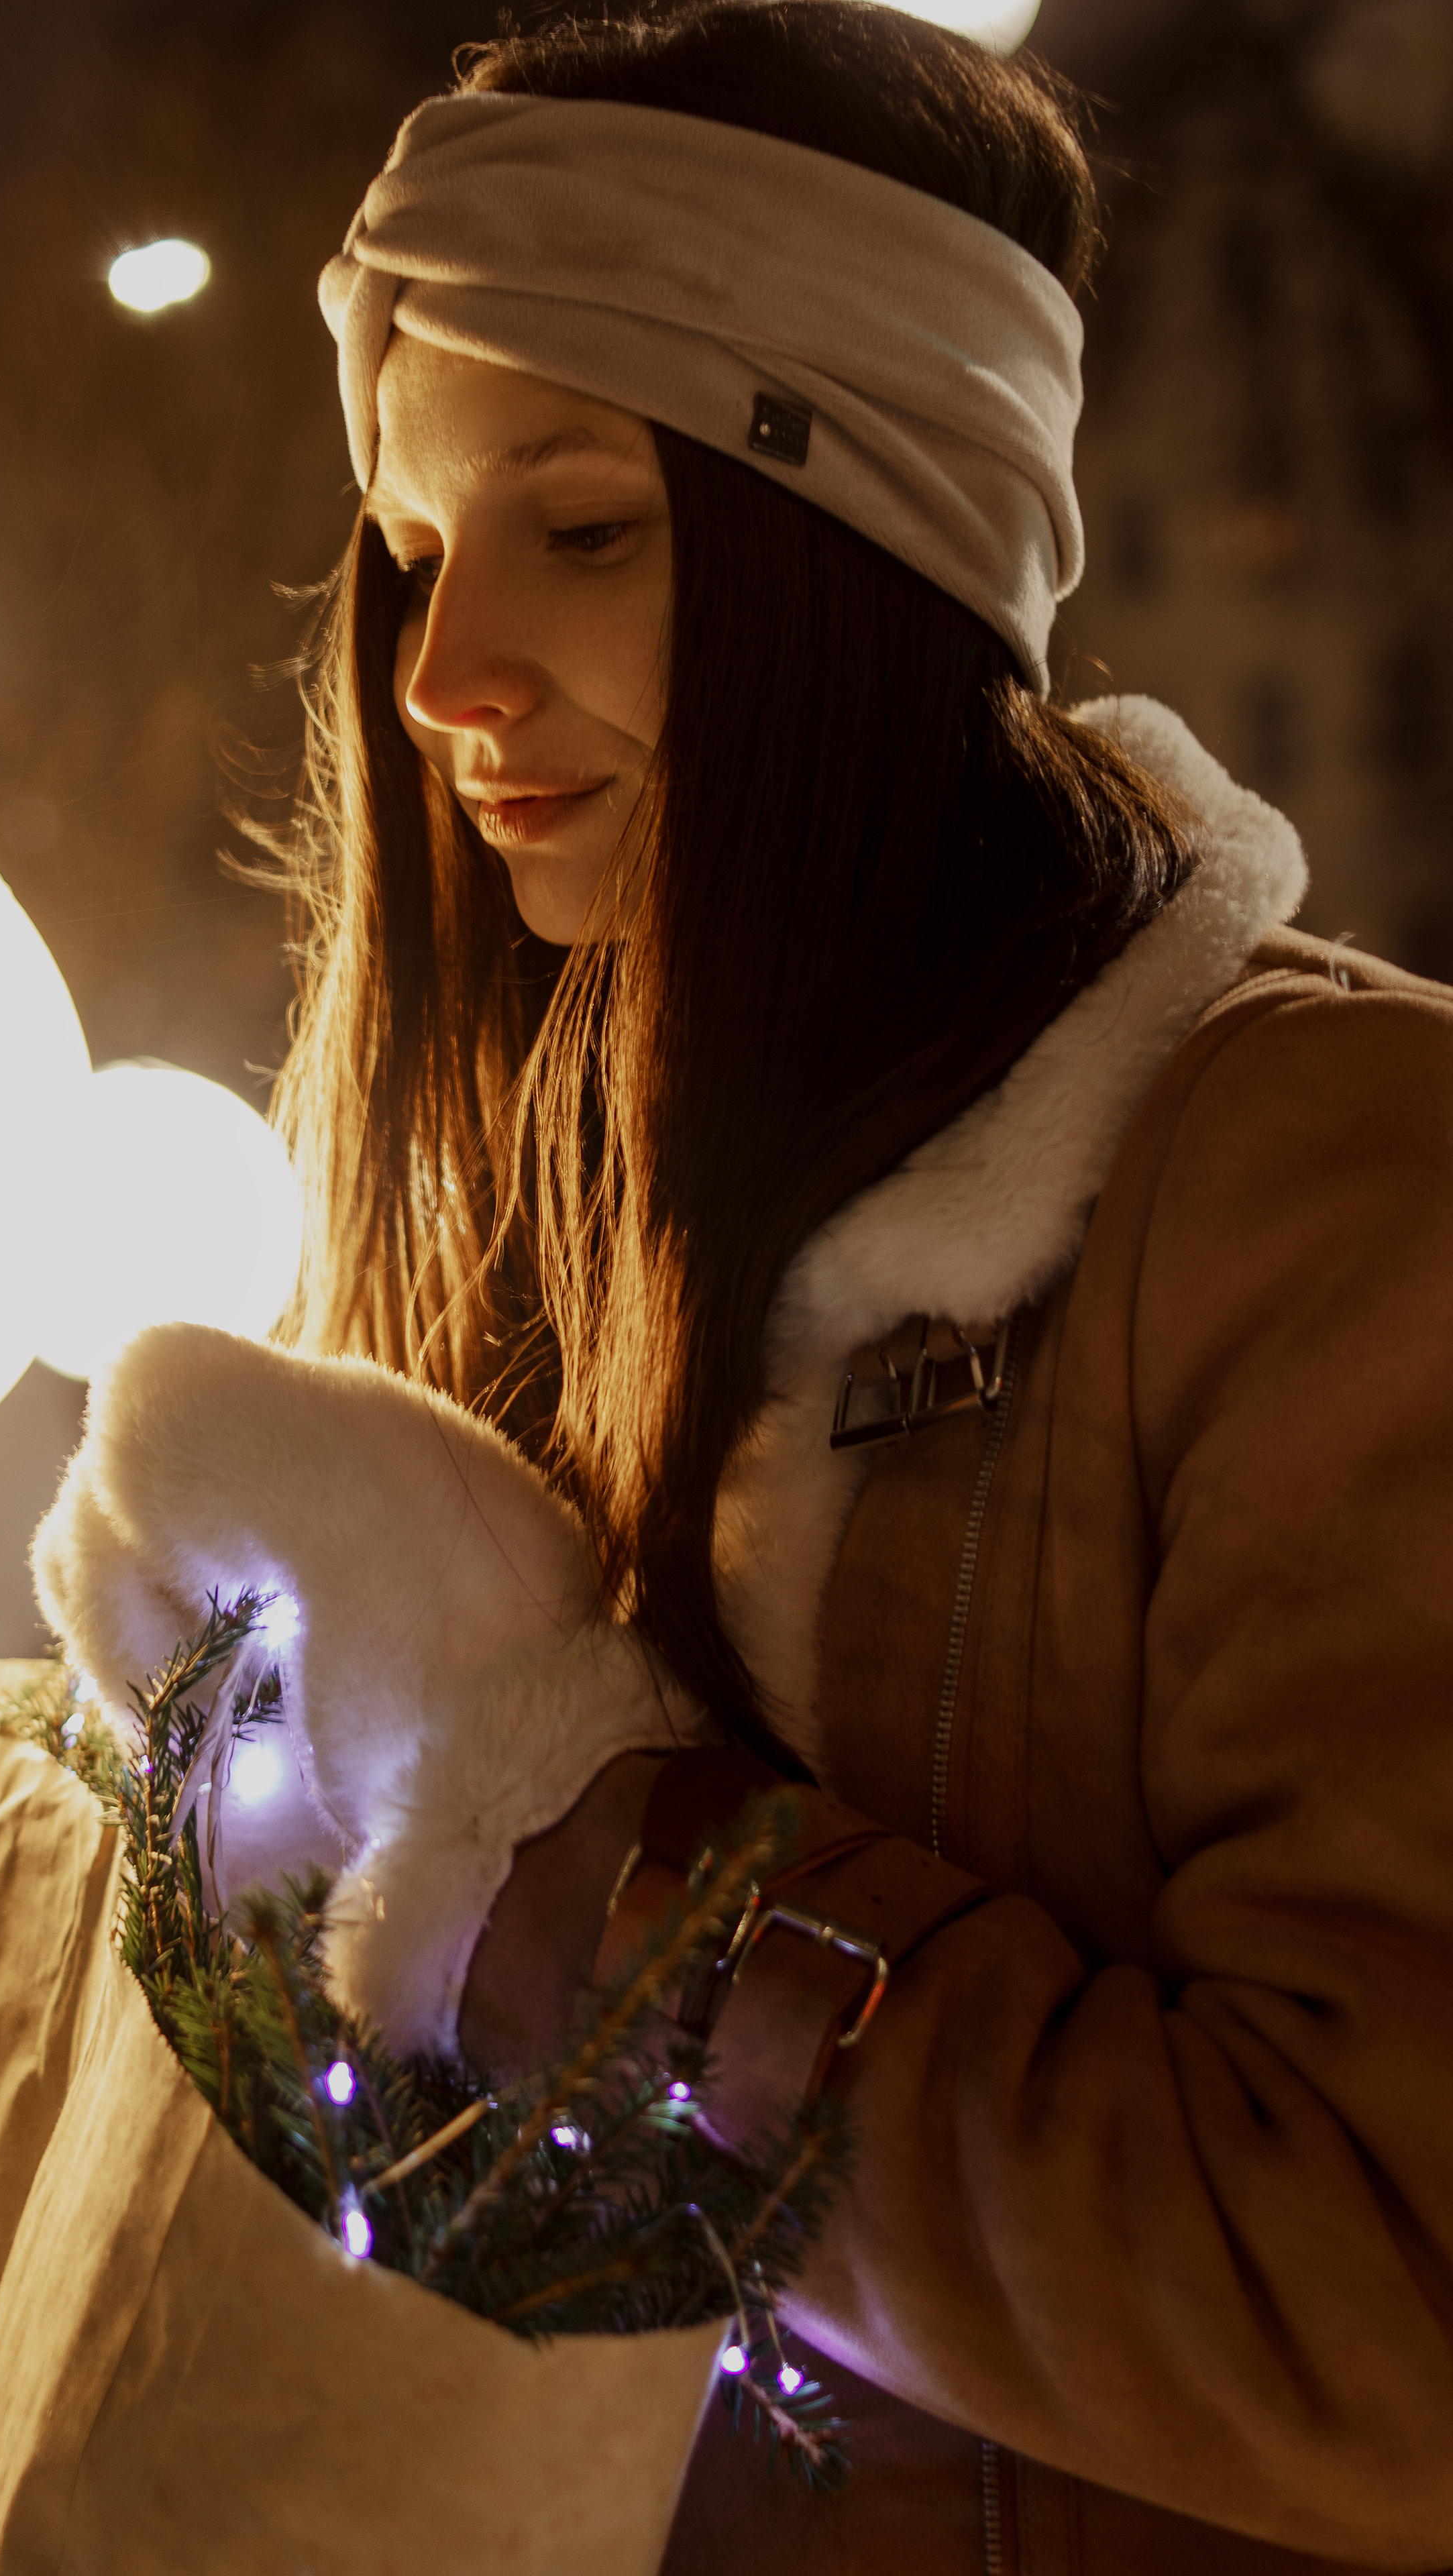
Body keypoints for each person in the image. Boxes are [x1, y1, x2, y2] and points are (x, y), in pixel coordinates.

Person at [254, 7, 1453, 2569]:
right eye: (419, 542)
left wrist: (569, 1838)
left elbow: (1381, 2313)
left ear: (871, 549)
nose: (447, 679)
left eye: (585, 528)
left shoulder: (1331, 1199)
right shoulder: (545, 1179)